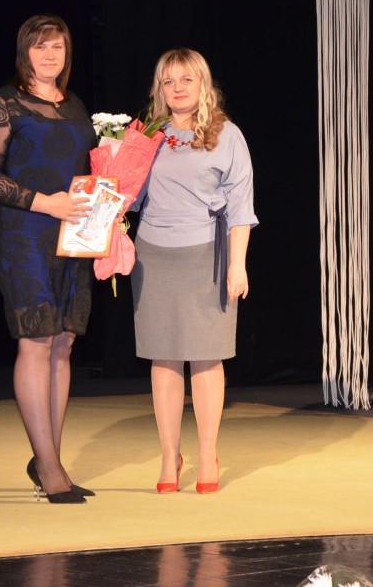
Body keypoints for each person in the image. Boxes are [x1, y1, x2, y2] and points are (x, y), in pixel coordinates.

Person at [0, 14, 96, 504]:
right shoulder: (3, 103)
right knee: (37, 339)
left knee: (63, 341)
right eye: (40, 46)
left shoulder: (75, 105)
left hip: (72, 233)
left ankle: (50, 459)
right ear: (25, 52)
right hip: (22, 232)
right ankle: (48, 466)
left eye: (57, 47)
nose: (49, 55)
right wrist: (46, 203)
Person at [131, 48, 258, 494]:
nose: (177, 88)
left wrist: (238, 264)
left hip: (206, 252)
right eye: (168, 81)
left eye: (186, 79)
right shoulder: (146, 134)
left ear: (203, 84)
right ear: (159, 89)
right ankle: (170, 456)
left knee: (206, 355)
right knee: (163, 356)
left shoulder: (227, 135)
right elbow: (126, 197)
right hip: (152, 253)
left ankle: (207, 453)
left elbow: (241, 207)